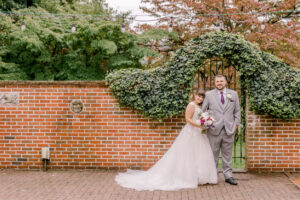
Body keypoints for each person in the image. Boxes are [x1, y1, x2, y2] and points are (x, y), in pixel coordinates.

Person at [115, 90, 218, 191]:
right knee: (187, 154)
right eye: (198, 96)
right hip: (191, 132)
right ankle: (186, 177)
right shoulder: (191, 105)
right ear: (195, 95)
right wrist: (200, 125)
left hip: (199, 133)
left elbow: (200, 118)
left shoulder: (200, 107)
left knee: (198, 154)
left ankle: (199, 176)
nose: (200, 98)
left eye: (202, 97)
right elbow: (188, 119)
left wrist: (205, 124)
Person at [202, 75, 241, 185]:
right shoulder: (209, 95)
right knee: (212, 154)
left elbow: (237, 111)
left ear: (225, 82)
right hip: (213, 129)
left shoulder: (233, 94)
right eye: (217, 81)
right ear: (214, 82)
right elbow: (204, 110)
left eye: (221, 81)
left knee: (227, 154)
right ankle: (212, 176)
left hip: (229, 129)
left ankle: (228, 176)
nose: (219, 83)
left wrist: (236, 125)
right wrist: (206, 123)